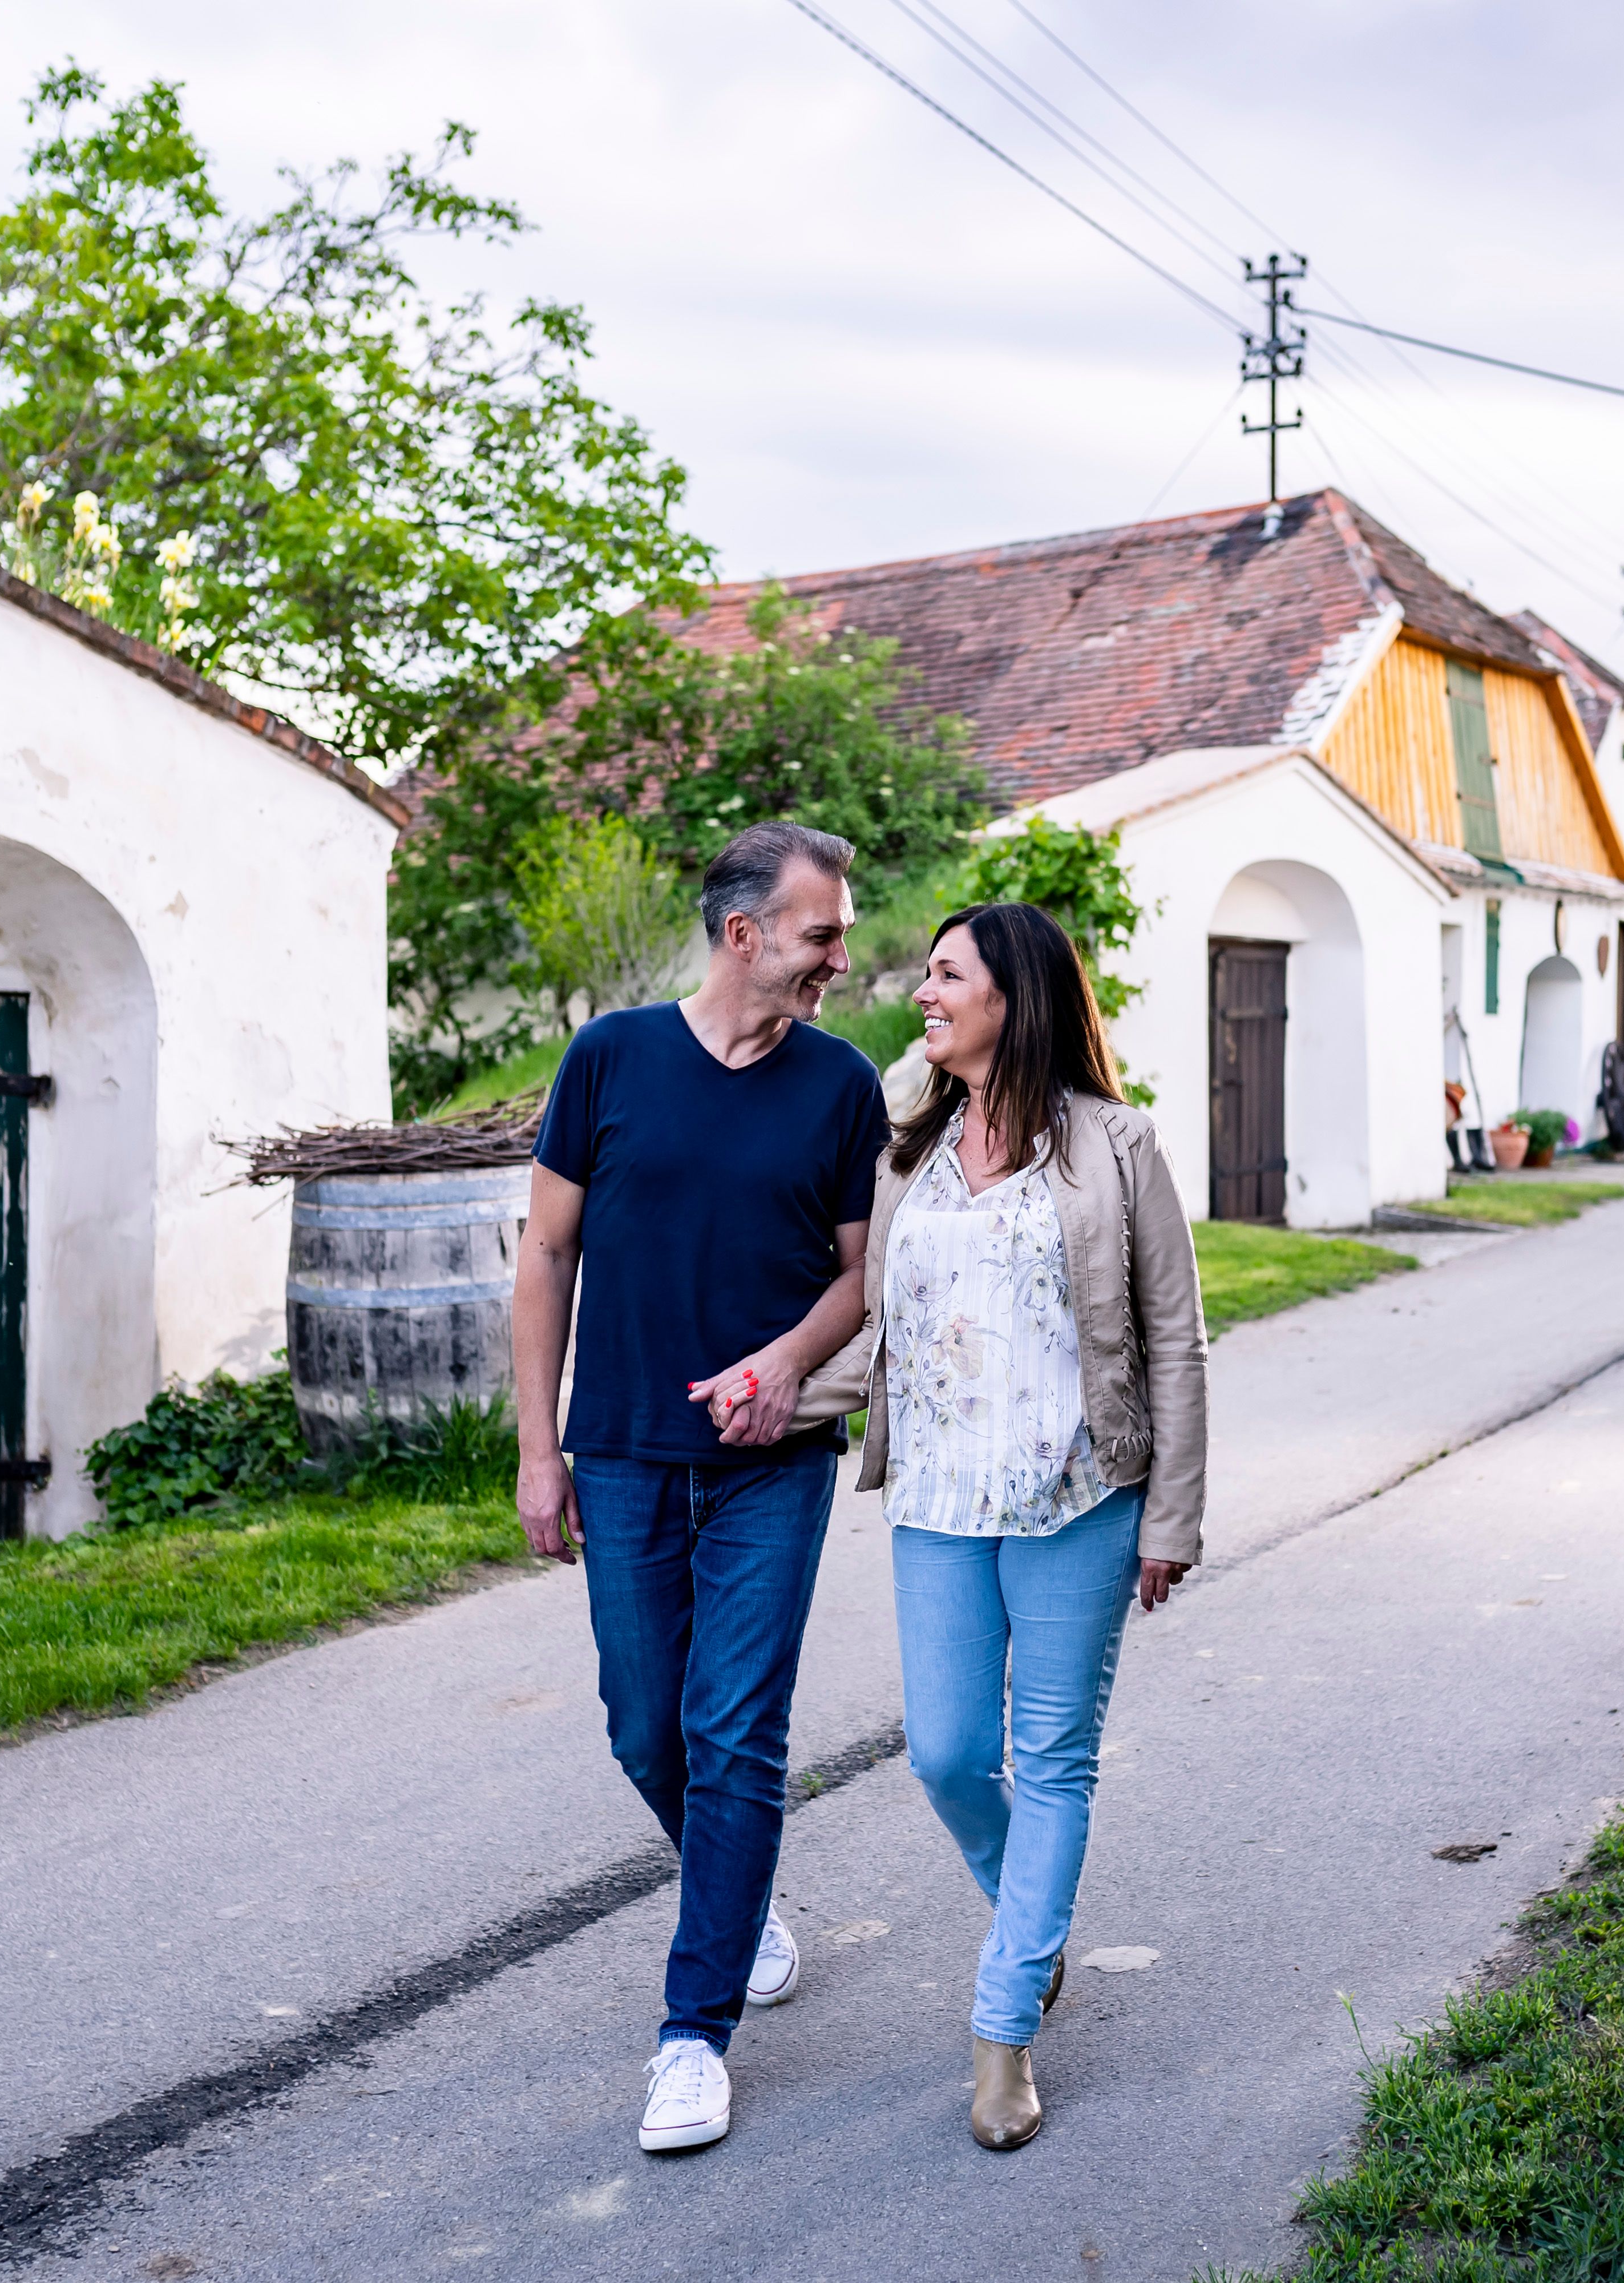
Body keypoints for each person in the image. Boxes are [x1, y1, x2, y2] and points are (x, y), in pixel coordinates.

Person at [779, 901, 1207, 2152]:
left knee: (1053, 1758)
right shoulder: (908, 1148)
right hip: (938, 1497)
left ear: (1013, 997)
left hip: (1080, 1495)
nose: (924, 992)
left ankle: (1003, 2027)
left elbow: (1175, 1338)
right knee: (947, 1753)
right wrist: (774, 1394)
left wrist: (1172, 1515)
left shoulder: (1117, 1145)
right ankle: (1035, 1914)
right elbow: (878, 1323)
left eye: (947, 974)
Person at [512, 819, 891, 2156]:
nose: (839, 958)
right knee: (643, 1724)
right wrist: (539, 1447)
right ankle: (739, 1895)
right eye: (821, 935)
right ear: (744, 933)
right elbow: (546, 1254)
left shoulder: (842, 1084)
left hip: (771, 1462)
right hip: (620, 1448)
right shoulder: (610, 1057)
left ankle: (694, 2031)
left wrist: (787, 1365)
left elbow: (862, 1270)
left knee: (734, 1730)